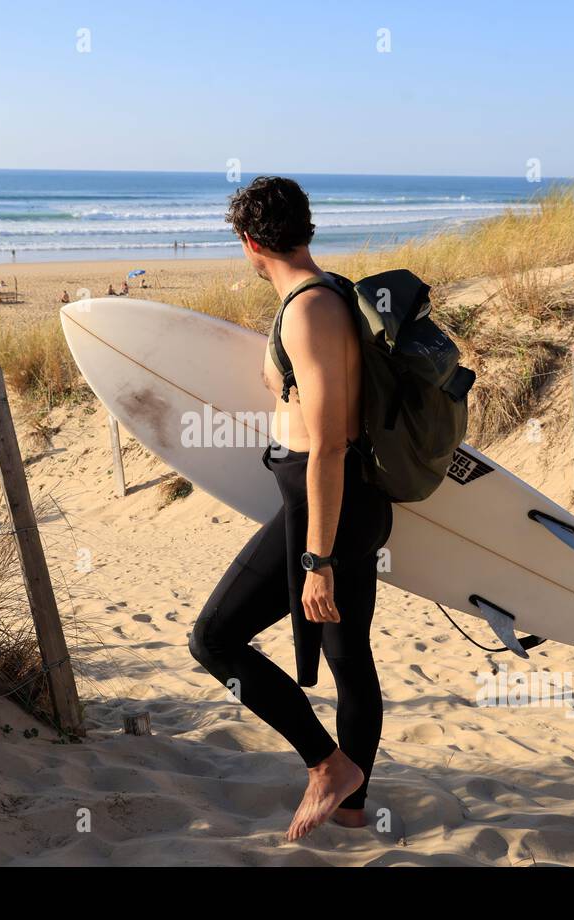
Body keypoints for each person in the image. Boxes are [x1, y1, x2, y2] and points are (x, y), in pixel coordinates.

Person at [188, 176, 392, 842]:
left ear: (250, 244)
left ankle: (325, 764)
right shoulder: (328, 292)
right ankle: (355, 813)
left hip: (326, 509)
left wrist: (317, 559)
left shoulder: (307, 310)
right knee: (348, 655)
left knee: (213, 637)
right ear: (305, 227)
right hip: (347, 503)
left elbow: (329, 444)